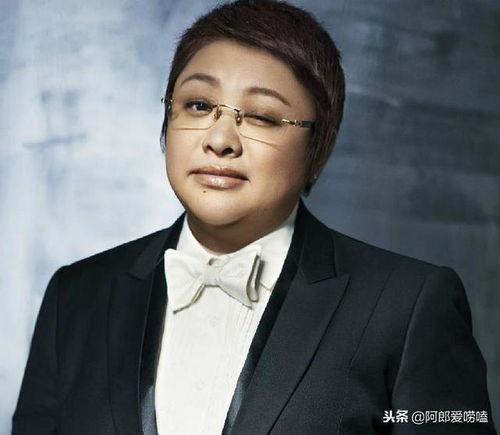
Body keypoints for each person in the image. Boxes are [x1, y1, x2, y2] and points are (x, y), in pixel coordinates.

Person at [12, 1, 496, 434]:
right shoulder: (76, 296)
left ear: (317, 146)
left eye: (263, 116)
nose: (220, 139)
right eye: (198, 105)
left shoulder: (408, 306)